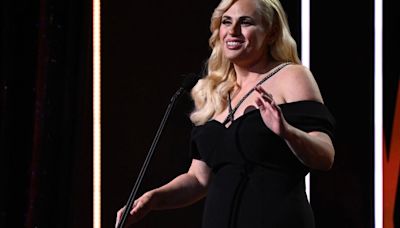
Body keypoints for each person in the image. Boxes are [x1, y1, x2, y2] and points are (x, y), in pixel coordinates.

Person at [116, 0, 335, 227]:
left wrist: (287, 132)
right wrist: (153, 199)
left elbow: (325, 156)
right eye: (226, 22)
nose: (232, 31)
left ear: (271, 34)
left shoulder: (291, 77)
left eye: (246, 22)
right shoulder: (215, 92)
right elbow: (198, 179)